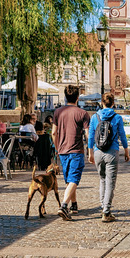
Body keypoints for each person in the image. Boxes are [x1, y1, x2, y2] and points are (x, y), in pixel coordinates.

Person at [88, 93, 130, 222]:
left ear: (102, 103)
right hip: (112, 151)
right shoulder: (117, 117)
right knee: (110, 182)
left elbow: (90, 136)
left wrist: (90, 153)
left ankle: (103, 206)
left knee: (102, 180)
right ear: (113, 103)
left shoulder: (95, 117)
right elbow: (122, 136)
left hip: (98, 151)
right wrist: (126, 151)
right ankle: (106, 211)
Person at [53, 84, 91, 220]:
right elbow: (87, 134)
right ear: (78, 97)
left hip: (62, 150)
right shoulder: (82, 113)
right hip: (76, 150)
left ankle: (74, 205)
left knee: (69, 179)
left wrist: (57, 147)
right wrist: (90, 150)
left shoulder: (58, 112)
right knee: (74, 179)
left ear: (65, 96)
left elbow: (53, 132)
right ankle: (64, 206)